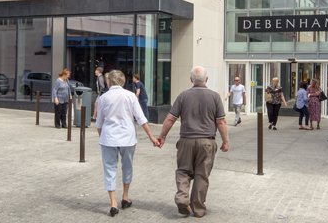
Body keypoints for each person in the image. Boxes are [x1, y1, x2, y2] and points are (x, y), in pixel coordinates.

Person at [155, 66, 229, 218]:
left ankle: (182, 198)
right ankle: (198, 209)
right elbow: (221, 122)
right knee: (202, 175)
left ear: (191, 80)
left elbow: (170, 119)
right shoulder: (215, 97)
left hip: (186, 141)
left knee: (183, 171)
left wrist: (162, 136)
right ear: (206, 80)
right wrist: (225, 141)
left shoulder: (183, 96)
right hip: (207, 142)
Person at [95, 69, 159, 217]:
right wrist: (152, 137)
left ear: (109, 81)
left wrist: (101, 137)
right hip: (127, 138)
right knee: (127, 167)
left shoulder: (103, 98)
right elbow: (141, 118)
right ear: (122, 81)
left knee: (109, 169)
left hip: (109, 138)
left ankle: (113, 203)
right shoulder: (130, 96)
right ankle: (125, 197)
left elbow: (99, 123)